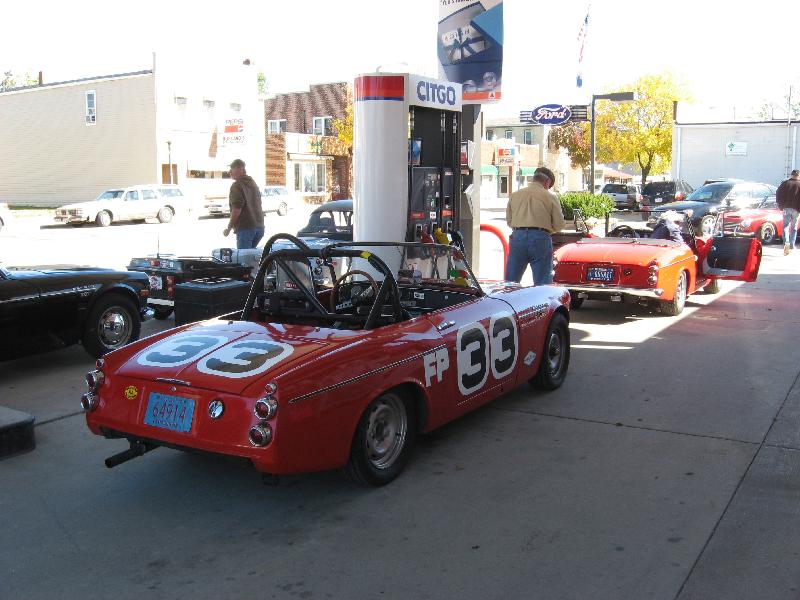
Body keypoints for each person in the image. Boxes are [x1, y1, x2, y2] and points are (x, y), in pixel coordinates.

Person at [505, 166, 565, 284]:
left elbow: (509, 220)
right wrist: (545, 230)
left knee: (511, 281)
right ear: (547, 182)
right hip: (540, 237)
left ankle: (509, 295)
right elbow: (559, 224)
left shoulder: (515, 195)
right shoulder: (550, 197)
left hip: (518, 237)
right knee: (542, 281)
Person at [223, 158, 265, 249]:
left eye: (232, 168)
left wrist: (229, 227)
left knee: (244, 257)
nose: (230, 172)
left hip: (246, 228)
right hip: (260, 227)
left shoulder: (237, 185)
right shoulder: (252, 183)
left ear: (239, 169)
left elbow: (237, 208)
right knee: (251, 255)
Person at [776, 169, 800, 255]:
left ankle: (786, 243)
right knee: (794, 227)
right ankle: (792, 245)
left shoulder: (785, 183)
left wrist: (780, 205)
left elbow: (778, 194)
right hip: (797, 209)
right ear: (798, 176)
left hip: (786, 208)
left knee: (786, 226)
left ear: (791, 175)